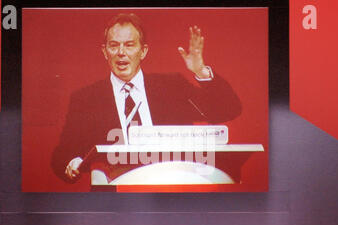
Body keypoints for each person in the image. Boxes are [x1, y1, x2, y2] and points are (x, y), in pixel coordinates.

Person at [51, 13, 242, 183]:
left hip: (171, 190)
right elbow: (62, 154)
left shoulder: (172, 87)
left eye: (129, 45)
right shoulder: (85, 99)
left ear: (143, 51)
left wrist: (200, 71)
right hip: (114, 198)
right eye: (114, 45)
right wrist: (72, 162)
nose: (121, 53)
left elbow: (228, 109)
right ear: (104, 52)